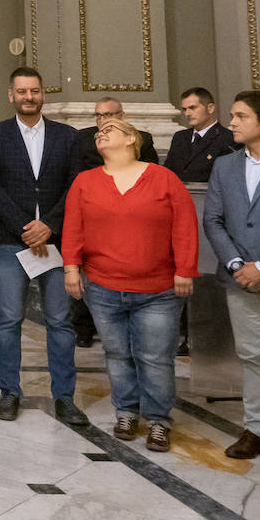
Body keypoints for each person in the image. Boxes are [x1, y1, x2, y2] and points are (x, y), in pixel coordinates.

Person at [62, 116, 198, 452]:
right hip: (104, 287)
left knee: (154, 356)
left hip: (159, 289)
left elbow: (184, 224)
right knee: (118, 353)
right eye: (98, 132)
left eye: (110, 130)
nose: (101, 135)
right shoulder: (85, 181)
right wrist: (71, 268)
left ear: (131, 139)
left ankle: (158, 420)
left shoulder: (163, 178)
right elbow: (73, 228)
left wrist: (185, 269)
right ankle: (126, 411)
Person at [0, 67, 87, 425]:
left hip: (56, 242)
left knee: (59, 321)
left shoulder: (67, 136)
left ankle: (65, 397)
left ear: (43, 94)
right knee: (8, 320)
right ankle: (9, 392)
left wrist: (49, 226)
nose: (29, 97)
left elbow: (76, 185)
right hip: (13, 242)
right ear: (10, 95)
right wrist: (26, 228)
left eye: (35, 91)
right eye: (22, 92)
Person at [202, 90, 260, 459]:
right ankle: (257, 431)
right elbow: (213, 221)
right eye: (232, 115)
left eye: (240, 116)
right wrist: (236, 265)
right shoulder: (225, 165)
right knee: (252, 355)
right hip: (237, 279)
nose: (231, 122)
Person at [71, 97, 160, 348]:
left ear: (122, 116)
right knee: (90, 276)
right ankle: (84, 327)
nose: (102, 121)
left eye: (108, 115)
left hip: (133, 221)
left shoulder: (143, 139)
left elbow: (151, 176)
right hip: (94, 221)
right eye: (98, 116)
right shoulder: (82, 139)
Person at [166, 86, 236, 184]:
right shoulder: (180, 137)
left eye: (192, 108)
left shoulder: (228, 138)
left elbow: (228, 179)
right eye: (184, 109)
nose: (187, 113)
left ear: (210, 108)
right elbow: (167, 172)